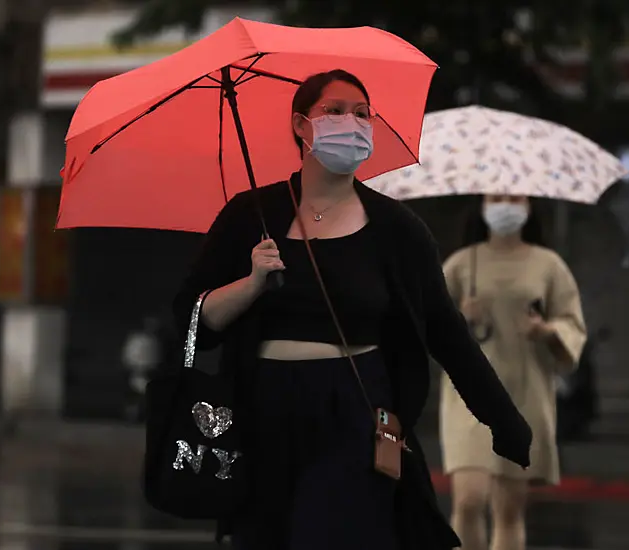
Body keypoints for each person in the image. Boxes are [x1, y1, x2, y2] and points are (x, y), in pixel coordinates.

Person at [172, 70, 533, 550]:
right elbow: (193, 320)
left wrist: (502, 418)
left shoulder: (398, 229)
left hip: (356, 404)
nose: (353, 123)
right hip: (262, 406)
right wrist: (251, 284)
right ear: (301, 125)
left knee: (337, 532)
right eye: (336, 111)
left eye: (363, 114)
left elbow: (446, 331)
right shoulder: (250, 215)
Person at [439, 195, 587, 550]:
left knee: (508, 510)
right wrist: (460, 318)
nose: (505, 205)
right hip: (468, 394)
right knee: (468, 500)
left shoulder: (549, 265)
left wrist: (547, 331)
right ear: (483, 205)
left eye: (514, 198)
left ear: (529, 207)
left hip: (524, 391)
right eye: (496, 198)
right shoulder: (461, 263)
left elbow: (571, 323)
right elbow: (429, 323)